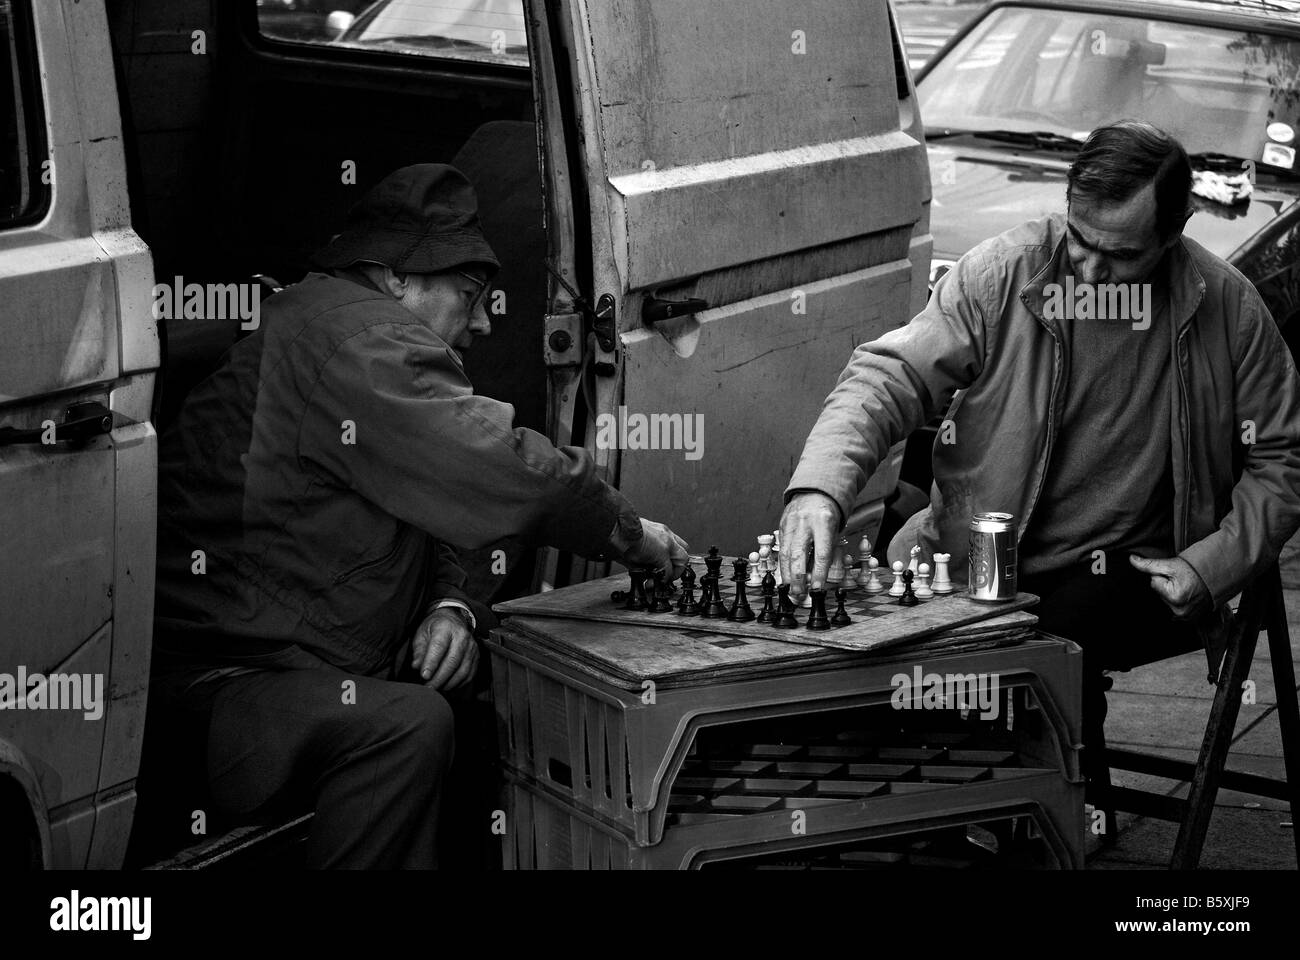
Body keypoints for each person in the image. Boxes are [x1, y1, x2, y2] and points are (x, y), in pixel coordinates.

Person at [149, 164, 689, 868]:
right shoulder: (358, 342)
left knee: (494, 683)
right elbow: (513, 477)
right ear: (395, 278)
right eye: (469, 295)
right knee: (409, 725)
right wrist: (634, 536)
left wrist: (452, 606)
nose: (487, 320)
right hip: (223, 685)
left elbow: (446, 504)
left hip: (295, 659)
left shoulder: (347, 330)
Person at [778, 120, 1300, 757]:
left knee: (1041, 652)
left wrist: (1214, 563)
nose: (1091, 268)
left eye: (1121, 256)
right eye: (1081, 240)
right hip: (987, 556)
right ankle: (980, 811)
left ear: (1174, 231)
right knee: (881, 663)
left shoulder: (1227, 306)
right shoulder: (1005, 272)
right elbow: (891, 375)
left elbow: (1283, 455)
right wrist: (819, 491)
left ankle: (1035, 815)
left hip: (1137, 570)